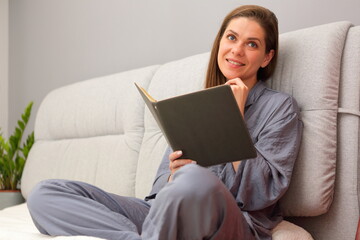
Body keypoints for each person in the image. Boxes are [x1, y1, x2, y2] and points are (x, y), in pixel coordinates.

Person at [27, 5, 303, 240]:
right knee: (45, 193)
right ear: (220, 42)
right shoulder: (195, 105)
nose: (237, 50)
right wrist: (172, 174)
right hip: (163, 213)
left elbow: (264, 192)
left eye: (251, 44)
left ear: (267, 57)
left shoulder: (280, 107)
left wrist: (234, 117)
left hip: (231, 219)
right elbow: (158, 192)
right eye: (231, 37)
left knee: (194, 178)